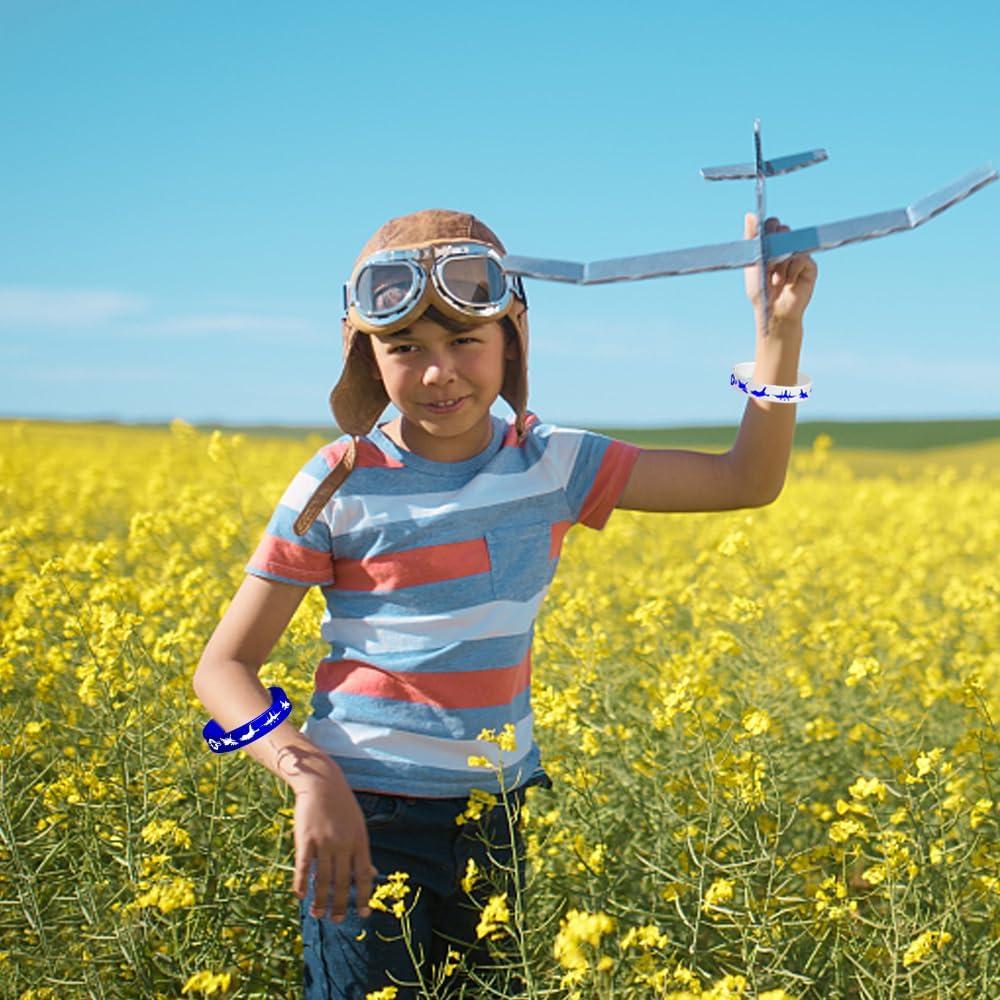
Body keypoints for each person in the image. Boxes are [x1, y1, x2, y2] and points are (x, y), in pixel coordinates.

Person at [192, 208, 817, 998]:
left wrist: (778, 333)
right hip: (361, 815)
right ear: (366, 354)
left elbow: (746, 482)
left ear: (511, 340)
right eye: (405, 348)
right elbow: (223, 666)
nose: (437, 372)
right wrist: (309, 779)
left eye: (464, 340)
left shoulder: (552, 463)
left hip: (494, 816)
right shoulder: (337, 478)